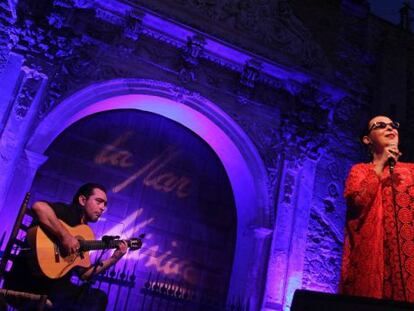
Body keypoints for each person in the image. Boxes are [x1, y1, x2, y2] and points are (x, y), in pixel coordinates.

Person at [3, 183, 128, 310]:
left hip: (55, 286)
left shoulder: (86, 233)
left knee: (99, 298)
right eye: (99, 202)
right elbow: (39, 207)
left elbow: (85, 275)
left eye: (104, 204)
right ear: (82, 200)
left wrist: (114, 259)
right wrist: (65, 237)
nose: (102, 208)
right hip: (30, 281)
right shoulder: (66, 212)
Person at [340, 115, 414, 303]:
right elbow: (358, 202)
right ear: (367, 139)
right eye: (380, 126)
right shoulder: (360, 171)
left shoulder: (411, 171)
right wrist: (380, 164)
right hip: (373, 261)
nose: (390, 128)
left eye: (393, 125)